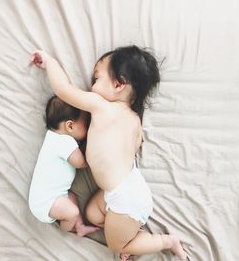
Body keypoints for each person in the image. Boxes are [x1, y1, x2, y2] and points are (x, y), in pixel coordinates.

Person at [30, 45, 187, 260]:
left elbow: (64, 90)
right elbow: (134, 147)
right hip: (120, 191)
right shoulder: (134, 121)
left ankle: (166, 241)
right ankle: (128, 232)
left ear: (119, 84)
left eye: (96, 79)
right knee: (93, 215)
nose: (92, 87)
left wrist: (50, 62)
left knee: (115, 244)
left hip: (126, 197)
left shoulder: (102, 106)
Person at [28, 95, 99, 237]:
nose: (88, 128)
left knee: (71, 197)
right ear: (70, 126)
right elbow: (81, 163)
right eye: (86, 123)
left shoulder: (52, 138)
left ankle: (79, 226)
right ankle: (67, 226)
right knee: (73, 212)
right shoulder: (65, 142)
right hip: (46, 202)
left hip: (47, 198)